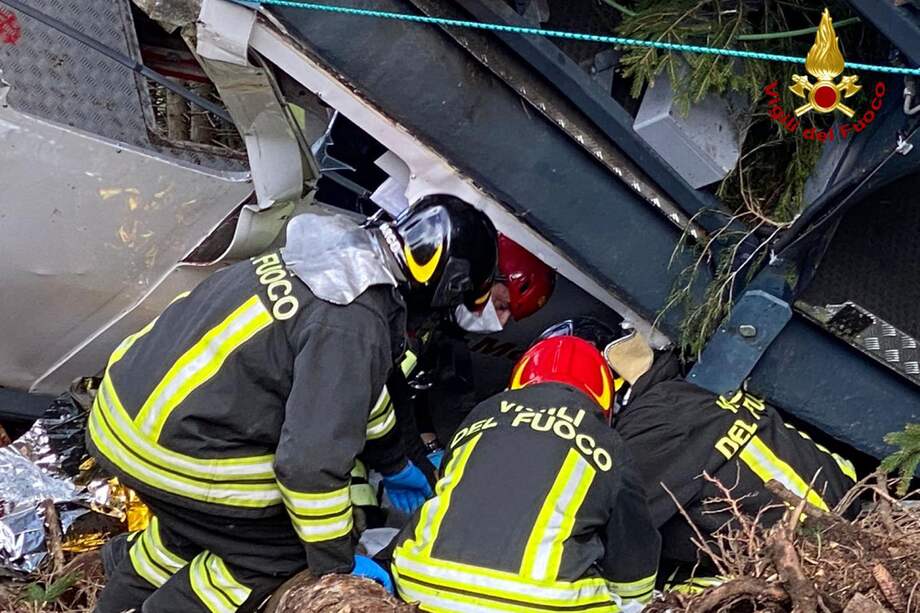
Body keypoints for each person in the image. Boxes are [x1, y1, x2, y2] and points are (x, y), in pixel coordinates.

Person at [88, 195, 499, 613]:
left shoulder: (328, 262)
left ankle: (115, 603)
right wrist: (336, 564)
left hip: (123, 419)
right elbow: (308, 467)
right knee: (277, 553)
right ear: (448, 286)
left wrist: (395, 463)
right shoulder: (353, 322)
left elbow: (357, 393)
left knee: (188, 530)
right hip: (175, 452)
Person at [545, 318, 859, 582]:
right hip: (839, 516)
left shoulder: (651, 429)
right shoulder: (676, 394)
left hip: (820, 552)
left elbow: (598, 539)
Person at [390, 335, 661, 613]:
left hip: (421, 582)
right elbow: (633, 548)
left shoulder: (482, 413)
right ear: (602, 397)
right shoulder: (608, 443)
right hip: (536, 601)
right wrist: (635, 603)